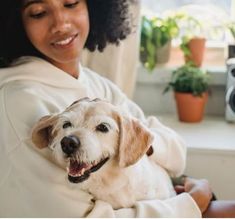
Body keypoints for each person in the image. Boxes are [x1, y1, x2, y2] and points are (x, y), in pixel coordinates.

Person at [0, 0, 229, 217]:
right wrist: (190, 206)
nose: (61, 24)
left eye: (71, 3)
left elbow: (174, 151)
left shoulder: (96, 83)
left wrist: (134, 144)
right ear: (17, 23)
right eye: (39, 12)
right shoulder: (19, 103)